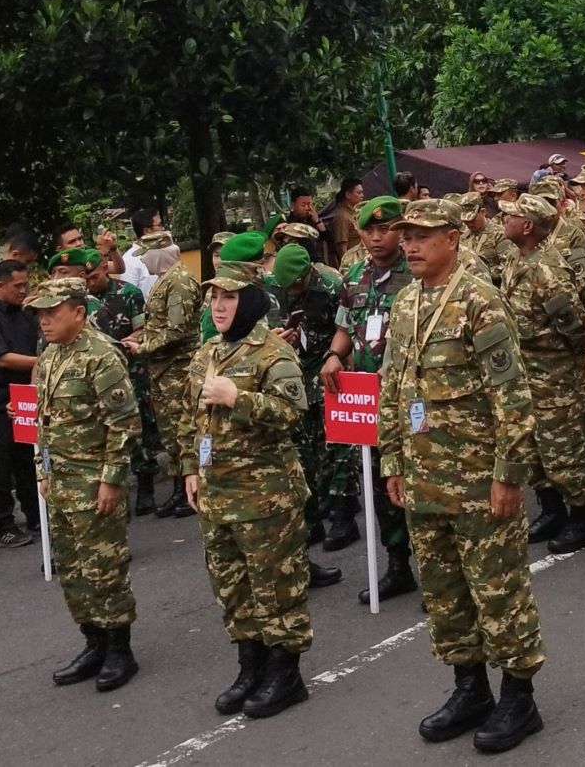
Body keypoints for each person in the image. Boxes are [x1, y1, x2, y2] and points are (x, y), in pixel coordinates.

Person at [378, 198, 546, 753]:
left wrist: (508, 475)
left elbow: (512, 396)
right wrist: (392, 462)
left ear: (452, 238)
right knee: (445, 595)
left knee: (499, 591)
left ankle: (519, 697)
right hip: (424, 481)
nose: (411, 245)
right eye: (406, 236)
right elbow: (394, 389)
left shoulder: (480, 301)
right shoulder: (404, 304)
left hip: (477, 480)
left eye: (423, 236)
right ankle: (469, 688)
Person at [179, 259, 312, 719]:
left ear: (250, 301)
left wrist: (240, 398)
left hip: (265, 494)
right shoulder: (206, 353)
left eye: (229, 297)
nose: (218, 306)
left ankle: (286, 672)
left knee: (275, 585)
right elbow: (189, 418)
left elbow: (295, 412)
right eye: (214, 297)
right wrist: (190, 467)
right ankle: (250, 665)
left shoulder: (272, 353)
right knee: (232, 587)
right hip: (216, 492)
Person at [29, 278, 141, 692]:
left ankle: (119, 649)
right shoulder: (51, 354)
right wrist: (41, 470)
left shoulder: (101, 356)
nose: (44, 321)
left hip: (94, 482)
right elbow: (42, 419)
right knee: (73, 570)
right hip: (60, 482)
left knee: (104, 568)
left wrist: (112, 481)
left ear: (78, 312)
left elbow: (124, 425)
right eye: (40, 314)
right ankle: (93, 642)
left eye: (51, 312)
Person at [321, 196, 418, 603]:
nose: (378, 238)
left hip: (411, 396)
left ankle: (440, 572)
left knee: (418, 482)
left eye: (387, 229)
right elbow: (347, 327)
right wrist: (332, 355)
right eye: (370, 231)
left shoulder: (415, 275)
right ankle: (398, 566)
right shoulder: (356, 276)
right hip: (368, 400)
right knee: (381, 486)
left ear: (401, 231)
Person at [500, 194, 585, 553]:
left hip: (554, 374)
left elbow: (573, 326)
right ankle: (551, 510)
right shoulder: (515, 259)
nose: (503, 218)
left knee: (563, 449)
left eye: (511, 216)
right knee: (534, 450)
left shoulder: (547, 268)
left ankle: (581, 519)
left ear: (527, 226)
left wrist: (575, 366)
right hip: (524, 372)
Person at [265, 243, 346, 588]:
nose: (292, 294)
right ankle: (312, 520)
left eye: (296, 287)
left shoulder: (331, 284)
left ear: (306, 275)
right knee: (304, 451)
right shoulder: (277, 289)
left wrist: (335, 355)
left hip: (330, 370)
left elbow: (347, 328)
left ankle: (343, 514)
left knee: (338, 445)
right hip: (296, 374)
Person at [121, 231, 202, 520]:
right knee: (171, 432)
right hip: (164, 369)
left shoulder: (178, 281)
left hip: (177, 368)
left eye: (146, 256)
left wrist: (143, 347)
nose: (143, 262)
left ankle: (189, 489)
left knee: (182, 430)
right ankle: (181, 488)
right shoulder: (166, 280)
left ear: (160, 253)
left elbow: (177, 331)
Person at [84, 247, 162, 516]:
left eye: (93, 276)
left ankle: (146, 486)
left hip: (132, 371)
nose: (89, 282)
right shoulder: (80, 300)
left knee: (139, 427)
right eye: (85, 278)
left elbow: (143, 327)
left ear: (105, 268)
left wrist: (134, 339)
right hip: (99, 377)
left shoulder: (128, 293)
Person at [0, 258, 38, 547]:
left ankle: (35, 514)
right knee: (2, 465)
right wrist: (42, 362)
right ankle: (3, 525)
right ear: (0, 286)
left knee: (28, 458)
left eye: (26, 284)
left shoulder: (23, 313)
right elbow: (2, 358)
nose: (23, 290)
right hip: (0, 401)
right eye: (17, 286)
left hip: (24, 396)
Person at [286, 186, 331, 263]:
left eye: (309, 204)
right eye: (303, 205)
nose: (307, 208)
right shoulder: (288, 224)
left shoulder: (313, 220)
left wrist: (317, 222)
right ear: (293, 205)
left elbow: (328, 238)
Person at [331, 177, 365, 267]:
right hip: (353, 264)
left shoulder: (356, 214)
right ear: (348, 194)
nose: (362, 195)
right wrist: (348, 267)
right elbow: (342, 248)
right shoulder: (342, 217)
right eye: (359, 192)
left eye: (362, 192)